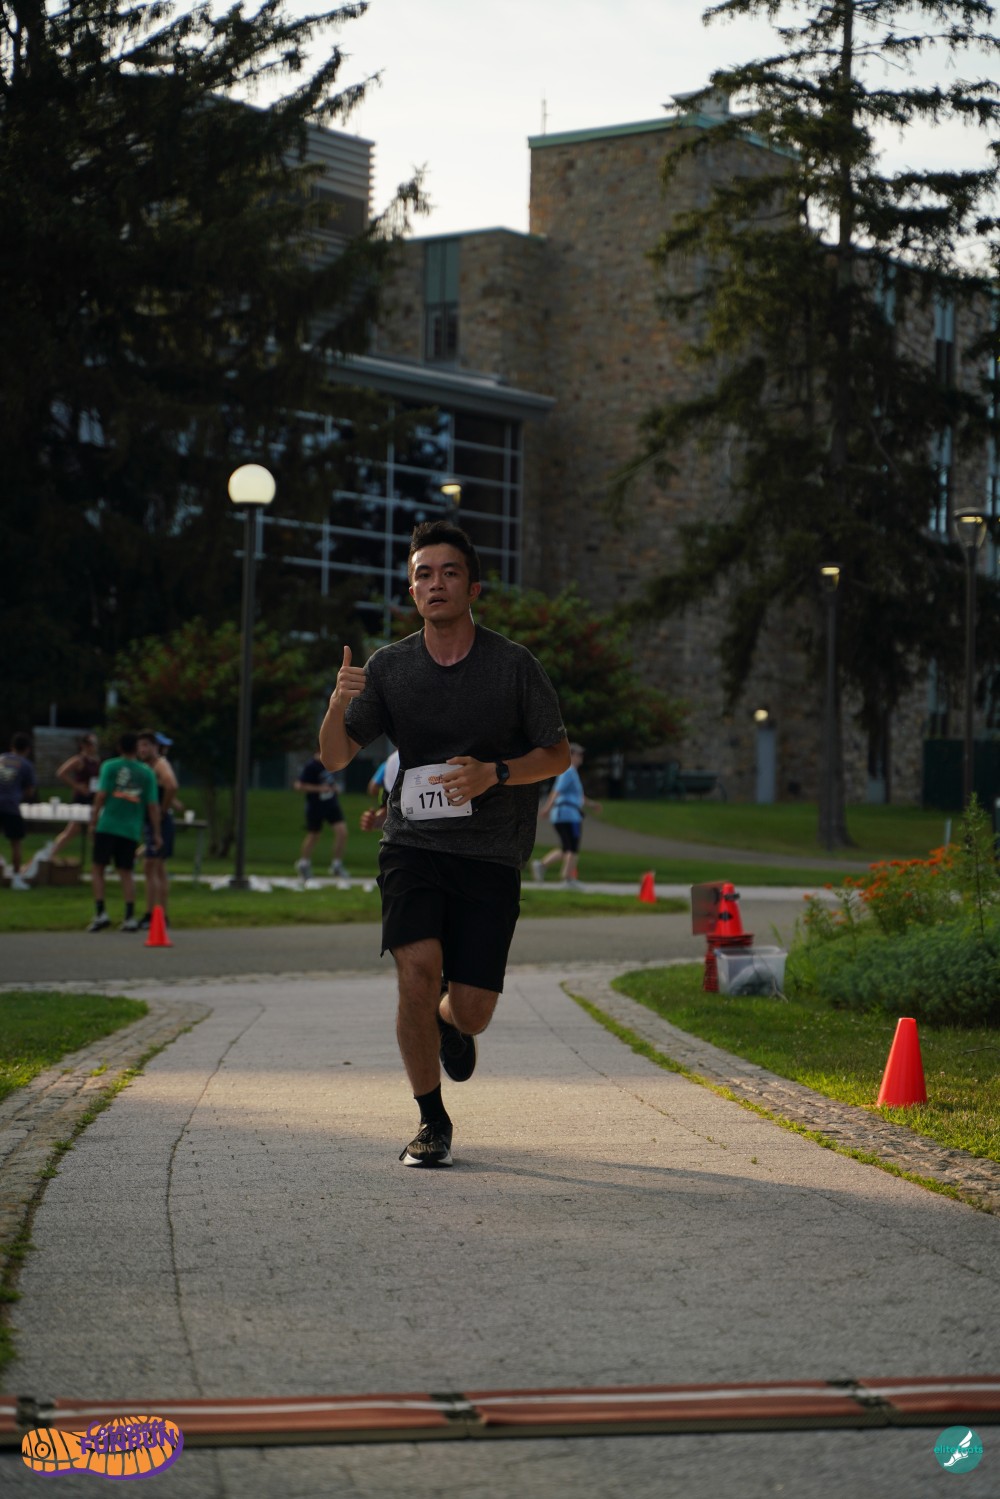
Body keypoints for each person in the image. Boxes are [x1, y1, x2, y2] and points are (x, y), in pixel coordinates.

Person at [319, 518, 569, 1169]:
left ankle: (450, 1023)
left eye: (449, 572)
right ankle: (432, 1119)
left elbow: (557, 753)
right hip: (413, 846)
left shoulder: (513, 665)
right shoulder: (389, 667)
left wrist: (496, 773)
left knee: (474, 1010)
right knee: (415, 969)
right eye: (423, 574)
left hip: (490, 853)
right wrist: (335, 705)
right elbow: (336, 756)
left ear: (473, 587)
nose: (435, 583)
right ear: (412, 590)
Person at [87, 732, 161, 932]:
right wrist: (156, 832)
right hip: (130, 828)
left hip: (108, 824)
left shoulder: (109, 766)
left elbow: (101, 795)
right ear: (136, 748)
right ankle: (129, 916)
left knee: (98, 868)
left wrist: (93, 820)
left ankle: (101, 912)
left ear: (119, 747)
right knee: (126, 872)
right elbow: (152, 806)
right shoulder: (146, 773)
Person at [532, 742, 603, 888]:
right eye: (579, 754)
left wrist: (592, 805)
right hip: (568, 815)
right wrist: (547, 808)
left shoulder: (572, 773)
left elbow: (579, 797)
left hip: (567, 814)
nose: (581, 757)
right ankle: (568, 879)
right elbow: (556, 791)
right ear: (571, 755)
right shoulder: (568, 771)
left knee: (566, 847)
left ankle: (542, 865)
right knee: (572, 848)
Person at [136, 731, 180, 929]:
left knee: (151, 866)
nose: (142, 749)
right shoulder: (148, 767)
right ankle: (161, 915)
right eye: (140, 746)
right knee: (158, 868)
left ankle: (151, 914)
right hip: (151, 821)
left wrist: (163, 809)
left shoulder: (160, 764)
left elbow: (171, 785)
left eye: (146, 745)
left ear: (155, 747)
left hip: (160, 822)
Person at [294, 756, 349, 881]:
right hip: (316, 805)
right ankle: (304, 864)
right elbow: (299, 785)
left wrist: (335, 788)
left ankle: (336, 864)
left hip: (331, 804)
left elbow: (330, 781)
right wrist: (319, 789)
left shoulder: (331, 763)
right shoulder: (311, 766)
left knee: (342, 832)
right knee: (314, 835)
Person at [49, 733, 101, 864]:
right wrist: (77, 786)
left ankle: (100, 860)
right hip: (81, 798)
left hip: (93, 797)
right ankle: (50, 853)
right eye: (91, 744)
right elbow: (61, 773)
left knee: (94, 830)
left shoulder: (96, 761)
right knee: (73, 830)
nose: (93, 747)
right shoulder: (79, 760)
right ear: (84, 745)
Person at [0, 733, 38, 890]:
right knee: (16, 843)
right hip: (10, 806)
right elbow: (30, 790)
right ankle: (16, 878)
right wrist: (19, 795)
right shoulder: (26, 765)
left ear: (12, 746)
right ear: (27, 749)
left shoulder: (1, 759)